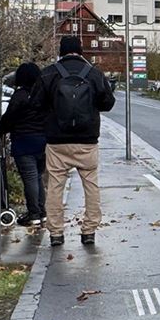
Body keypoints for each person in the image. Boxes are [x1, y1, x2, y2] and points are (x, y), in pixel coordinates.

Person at [37, 35, 115, 248]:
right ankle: (89, 230)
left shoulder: (49, 73)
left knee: (55, 186)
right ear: (81, 51)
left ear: (61, 51)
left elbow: (36, 104)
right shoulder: (94, 74)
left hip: (56, 140)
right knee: (91, 184)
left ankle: (56, 233)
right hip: (87, 140)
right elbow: (108, 103)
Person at [0, 61, 49, 227]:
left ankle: (33, 214)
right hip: (43, 142)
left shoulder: (20, 96)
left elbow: (9, 118)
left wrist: (1, 129)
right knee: (38, 177)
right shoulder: (44, 95)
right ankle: (41, 211)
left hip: (24, 142)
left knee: (30, 178)